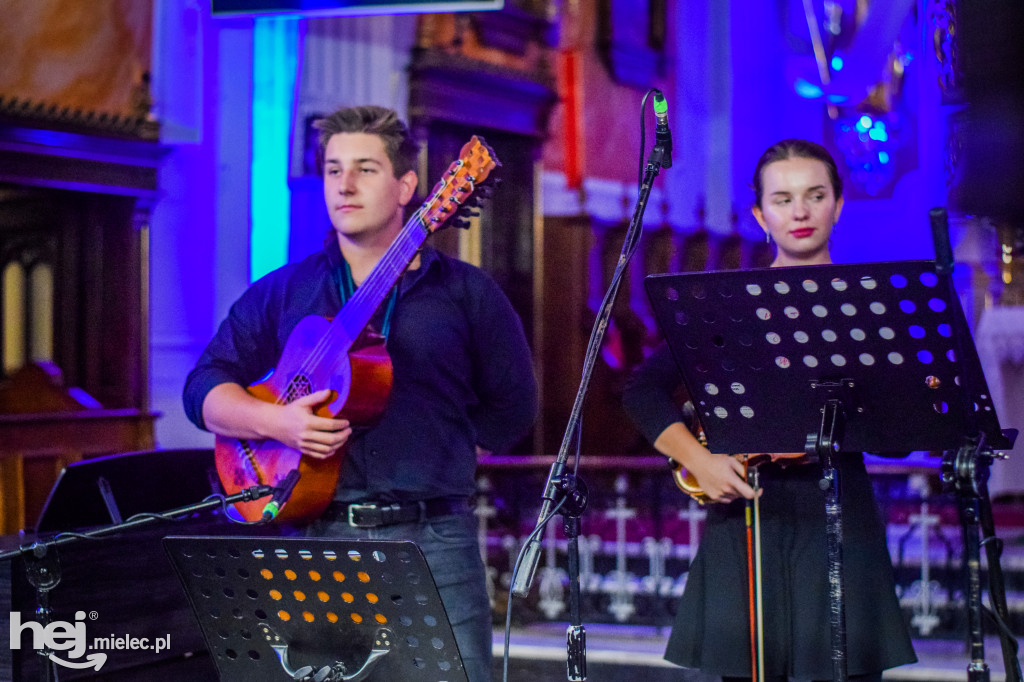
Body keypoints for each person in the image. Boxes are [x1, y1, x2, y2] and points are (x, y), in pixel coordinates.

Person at [183, 104, 538, 681]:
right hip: (313, 539)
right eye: (332, 169)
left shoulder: (468, 293)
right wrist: (276, 426)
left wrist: (438, 448)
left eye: (366, 169)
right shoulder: (284, 290)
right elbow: (202, 389)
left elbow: (514, 407)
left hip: (434, 541)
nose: (344, 184)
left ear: (407, 186)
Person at [622, 139, 916, 681]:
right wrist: (701, 462)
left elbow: (896, 441)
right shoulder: (727, 306)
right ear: (760, 215)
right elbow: (642, 390)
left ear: (838, 204)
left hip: (838, 508)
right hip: (746, 514)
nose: (800, 212)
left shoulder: (869, 304)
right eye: (782, 199)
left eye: (815, 195)